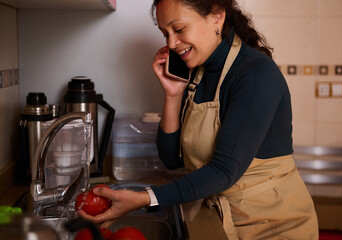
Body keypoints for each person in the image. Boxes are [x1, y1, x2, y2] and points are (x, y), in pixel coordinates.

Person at [78, 0, 319, 239]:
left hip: (272, 227)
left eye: (179, 29)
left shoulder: (256, 74)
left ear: (217, 17)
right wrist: (173, 95)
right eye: (165, 33)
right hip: (220, 217)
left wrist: (144, 198)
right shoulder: (197, 74)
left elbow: (224, 170)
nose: (171, 43)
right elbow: (172, 160)